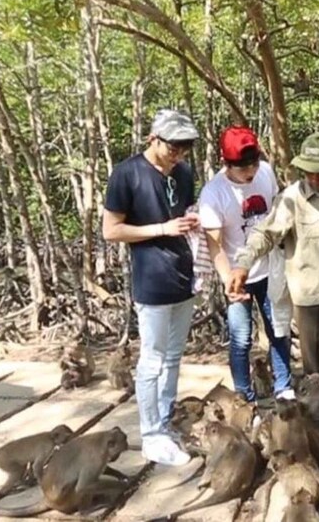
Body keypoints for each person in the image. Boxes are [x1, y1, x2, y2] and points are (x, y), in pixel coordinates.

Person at [229, 132, 319, 397]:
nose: (315, 179)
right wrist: (243, 265)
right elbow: (266, 233)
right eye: (309, 173)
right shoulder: (291, 199)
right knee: (315, 375)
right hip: (311, 298)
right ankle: (318, 426)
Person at [102, 109, 200, 466]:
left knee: (174, 357)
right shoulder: (127, 174)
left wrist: (191, 222)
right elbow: (111, 230)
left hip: (184, 276)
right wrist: (161, 229)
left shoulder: (184, 173)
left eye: (184, 149)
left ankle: (164, 424)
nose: (179, 155)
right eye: (173, 147)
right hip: (151, 280)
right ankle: (150, 434)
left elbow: (183, 213)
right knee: (152, 360)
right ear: (153, 139)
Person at [198, 126, 294, 401]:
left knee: (279, 329)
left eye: (253, 163)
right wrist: (229, 279)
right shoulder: (214, 194)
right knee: (241, 339)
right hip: (236, 274)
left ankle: (284, 387)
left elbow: (277, 211)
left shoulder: (264, 172)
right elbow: (214, 243)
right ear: (225, 163)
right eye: (242, 168)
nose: (250, 172)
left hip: (269, 268)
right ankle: (244, 396)